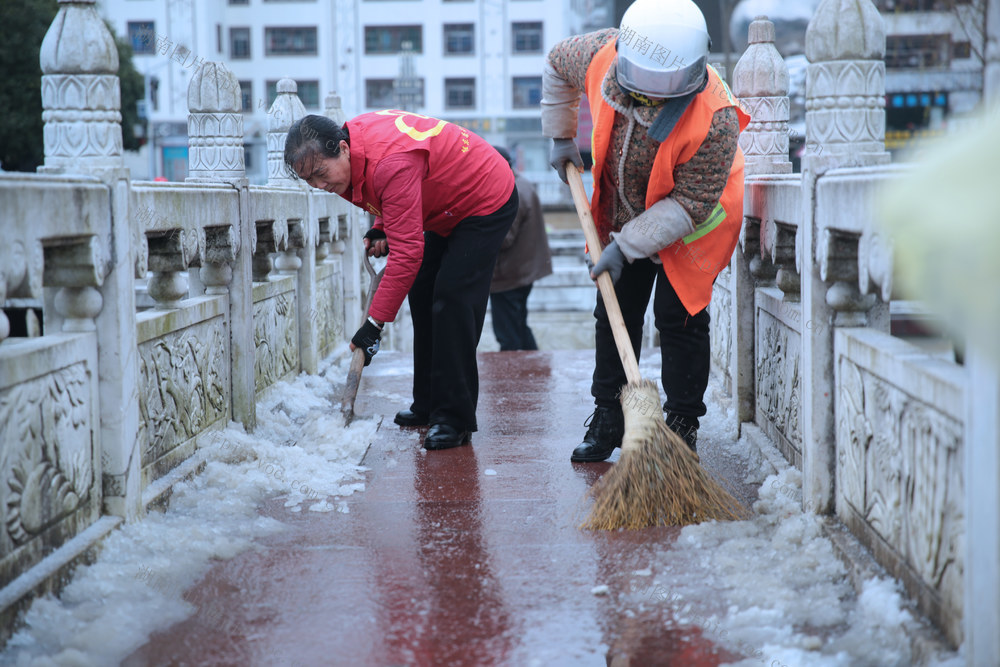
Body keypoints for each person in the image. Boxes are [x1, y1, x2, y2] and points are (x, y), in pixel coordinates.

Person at [541, 0, 748, 462]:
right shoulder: (599, 52)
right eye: (643, 87)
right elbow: (557, 62)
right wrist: (560, 135)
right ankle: (609, 415)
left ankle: (681, 425)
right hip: (623, 208)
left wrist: (627, 246)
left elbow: (692, 203)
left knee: (680, 318)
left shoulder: (716, 116)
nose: (652, 98)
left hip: (695, 223)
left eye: (666, 89)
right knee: (614, 309)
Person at [284, 111, 517, 450]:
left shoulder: (391, 161)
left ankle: (453, 418)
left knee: (452, 299)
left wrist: (373, 327)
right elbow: (386, 192)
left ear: (344, 149)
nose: (320, 186)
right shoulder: (356, 146)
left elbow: (407, 252)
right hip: (441, 204)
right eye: (310, 181)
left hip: (484, 197)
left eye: (321, 174)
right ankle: (427, 404)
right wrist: (381, 227)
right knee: (422, 292)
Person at [489, 146, 553, 351]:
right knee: (518, 326)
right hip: (522, 271)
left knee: (507, 336)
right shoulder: (521, 184)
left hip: (508, 275)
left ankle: (512, 379)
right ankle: (533, 370)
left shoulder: (509, 191)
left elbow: (503, 239)